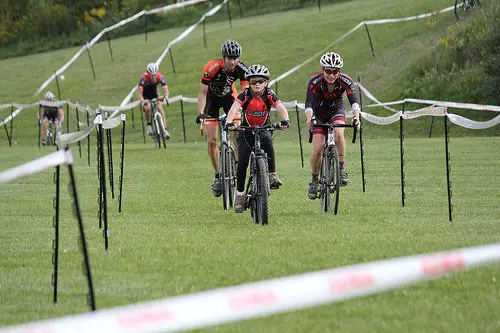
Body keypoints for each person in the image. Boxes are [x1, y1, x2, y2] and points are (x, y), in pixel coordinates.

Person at [225, 64, 290, 213]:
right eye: (253, 82)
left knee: (268, 142)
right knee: (242, 162)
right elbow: (234, 108)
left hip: (263, 129)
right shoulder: (245, 94)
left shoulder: (269, 94)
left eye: (260, 81)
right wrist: (229, 122)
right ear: (249, 82)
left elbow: (280, 106)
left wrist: (285, 119)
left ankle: (272, 174)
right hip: (246, 131)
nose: (257, 84)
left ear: (266, 83)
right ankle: (240, 195)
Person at [196, 39, 249, 197]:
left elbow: (244, 93)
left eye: (235, 58)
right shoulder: (211, 67)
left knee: (237, 130)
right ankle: (218, 175)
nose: (232, 62)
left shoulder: (241, 69)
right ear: (223, 57)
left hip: (230, 99)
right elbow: (203, 93)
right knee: (212, 140)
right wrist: (200, 113)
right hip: (211, 100)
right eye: (229, 58)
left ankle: (239, 166)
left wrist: (242, 111)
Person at [305, 52, 360, 199]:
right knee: (317, 149)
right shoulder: (315, 81)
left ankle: (341, 169)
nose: (331, 75)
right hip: (319, 112)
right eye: (328, 71)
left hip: (336, 110)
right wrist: (309, 118)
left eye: (335, 71)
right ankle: (314, 180)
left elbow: (354, 101)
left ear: (339, 72)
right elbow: (309, 103)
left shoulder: (345, 80)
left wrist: (357, 117)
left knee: (339, 134)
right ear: (323, 70)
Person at [138, 63, 170, 139]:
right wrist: (142, 101)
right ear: (148, 74)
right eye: (151, 75)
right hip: (145, 95)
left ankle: (165, 130)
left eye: (155, 75)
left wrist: (166, 96)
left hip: (155, 94)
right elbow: (139, 93)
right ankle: (149, 125)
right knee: (148, 108)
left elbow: (165, 89)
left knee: (160, 108)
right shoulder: (143, 78)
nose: (153, 77)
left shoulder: (160, 77)